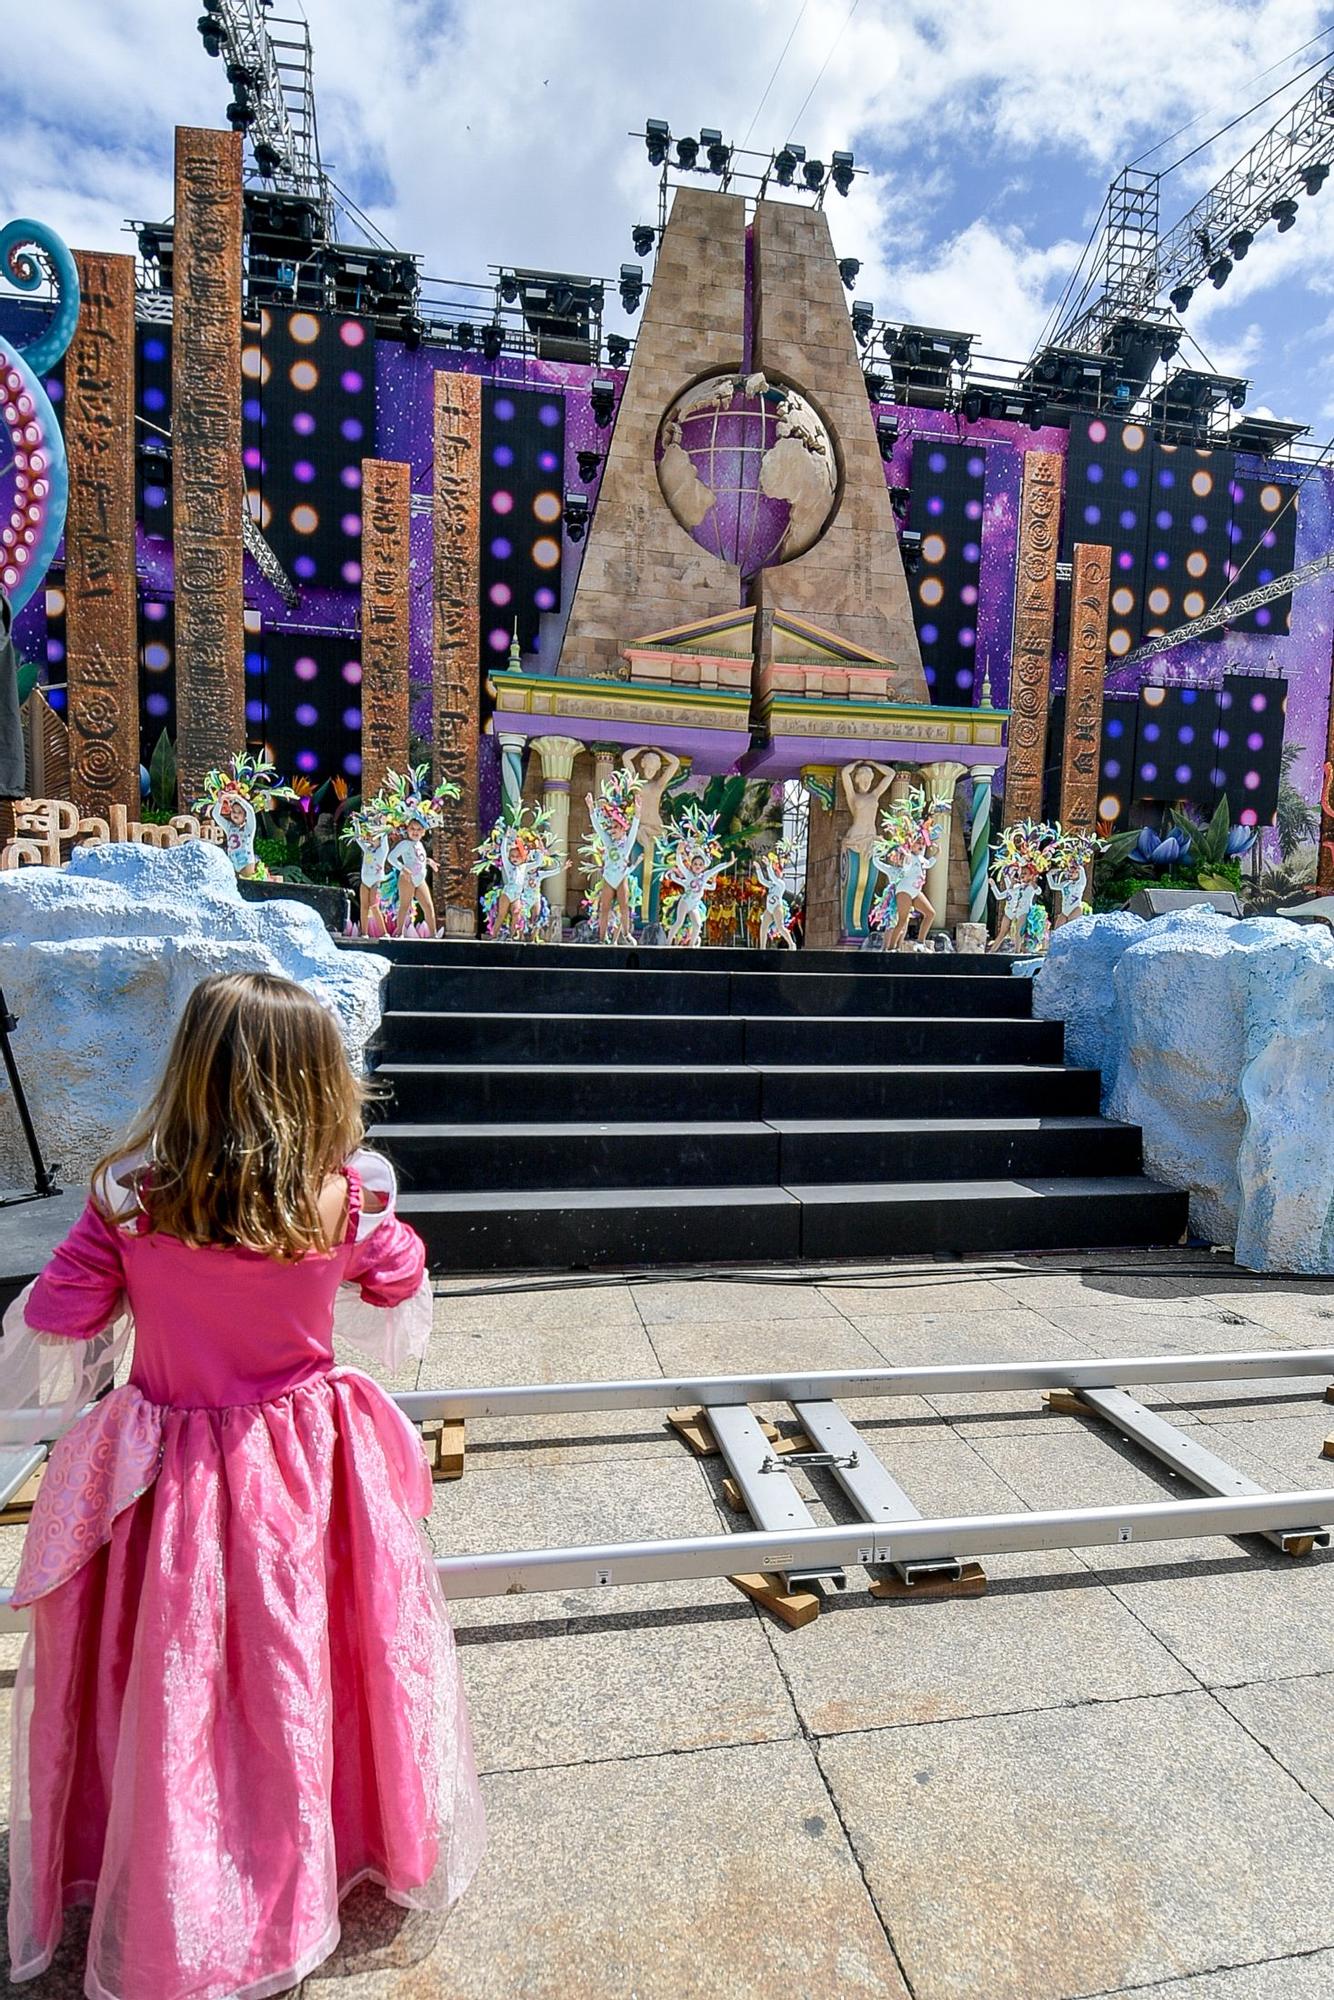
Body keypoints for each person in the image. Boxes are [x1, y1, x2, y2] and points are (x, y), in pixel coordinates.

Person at [0, 973, 486, 1999]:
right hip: (309, 1465)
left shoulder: (130, 1202)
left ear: (192, 1069)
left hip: (170, 1471)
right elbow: (399, 1298)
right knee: (311, 1652)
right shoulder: (345, 1195)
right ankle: (325, 1829)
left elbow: (56, 1322)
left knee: (178, 1677)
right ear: (318, 1077)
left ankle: (176, 1867)